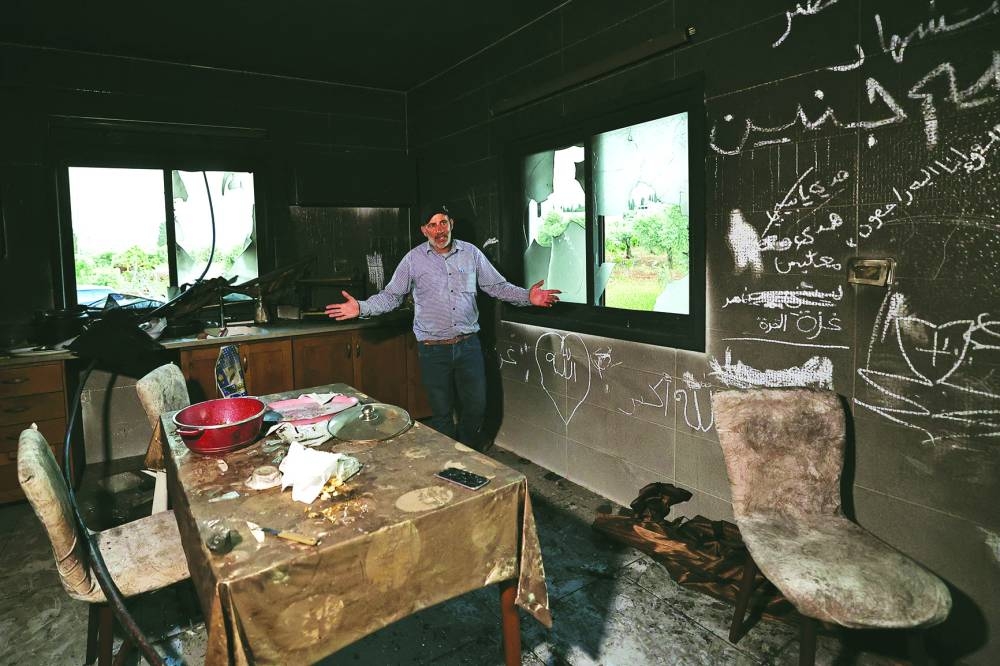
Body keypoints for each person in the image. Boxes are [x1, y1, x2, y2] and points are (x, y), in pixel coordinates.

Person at [326, 205, 560, 449]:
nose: (439, 230)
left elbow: (497, 286)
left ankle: (468, 460)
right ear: (424, 230)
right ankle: (449, 464)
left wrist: (527, 297)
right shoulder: (413, 260)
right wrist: (361, 308)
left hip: (468, 346)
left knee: (476, 409)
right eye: (432, 225)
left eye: (443, 223)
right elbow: (392, 296)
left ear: (451, 224)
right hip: (433, 350)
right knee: (442, 415)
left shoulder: (471, 254)